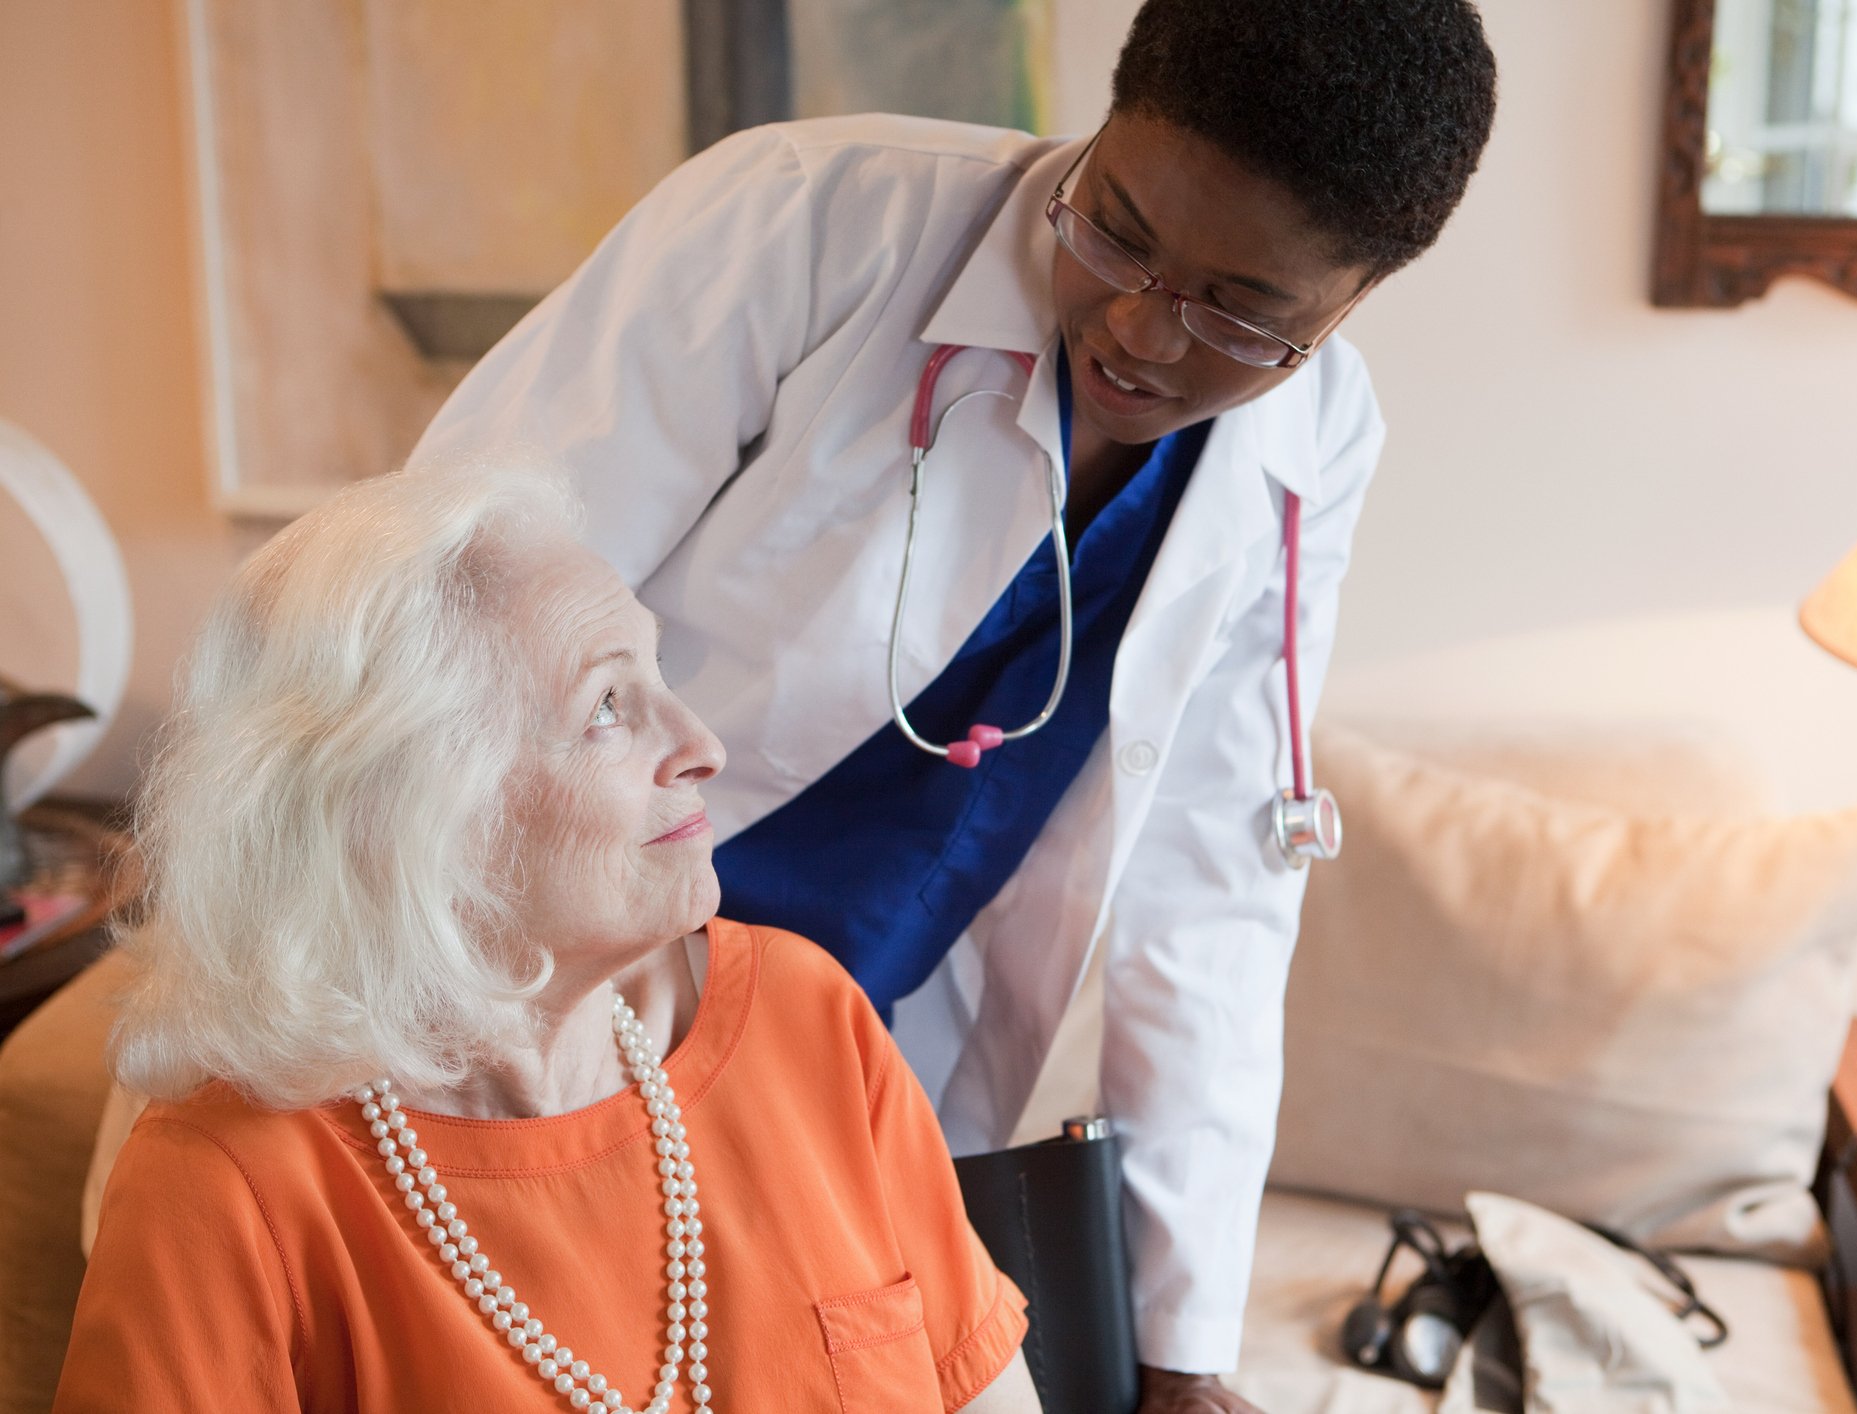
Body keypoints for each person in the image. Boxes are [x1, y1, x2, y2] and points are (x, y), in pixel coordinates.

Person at [416, 2, 1497, 1404]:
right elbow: (453, 622)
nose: (1138, 326)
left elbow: (1215, 892)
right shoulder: (809, 224)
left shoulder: (1313, 443)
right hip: (530, 997)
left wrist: (1184, 1342)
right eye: (1115, 226)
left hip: (847, 1078)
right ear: (1104, 127)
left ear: (1350, 302)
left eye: (1241, 310)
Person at [54, 465, 1040, 1412]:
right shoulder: (227, 1189)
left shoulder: (807, 1020)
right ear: (421, 814)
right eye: (607, 707)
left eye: (661, 672)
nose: (702, 745)